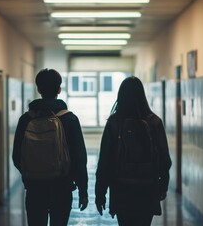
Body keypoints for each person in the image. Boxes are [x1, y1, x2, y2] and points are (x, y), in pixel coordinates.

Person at [12, 68, 88, 226]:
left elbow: (16, 156)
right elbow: (79, 158)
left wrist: (30, 176)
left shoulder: (25, 120)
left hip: (35, 189)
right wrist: (83, 190)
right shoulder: (70, 119)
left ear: (38, 89)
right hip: (62, 187)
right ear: (59, 89)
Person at [95, 76, 172, 226]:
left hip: (121, 187)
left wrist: (100, 193)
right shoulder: (154, 122)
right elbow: (165, 158)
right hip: (148, 187)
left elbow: (105, 161)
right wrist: (163, 186)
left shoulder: (114, 122)